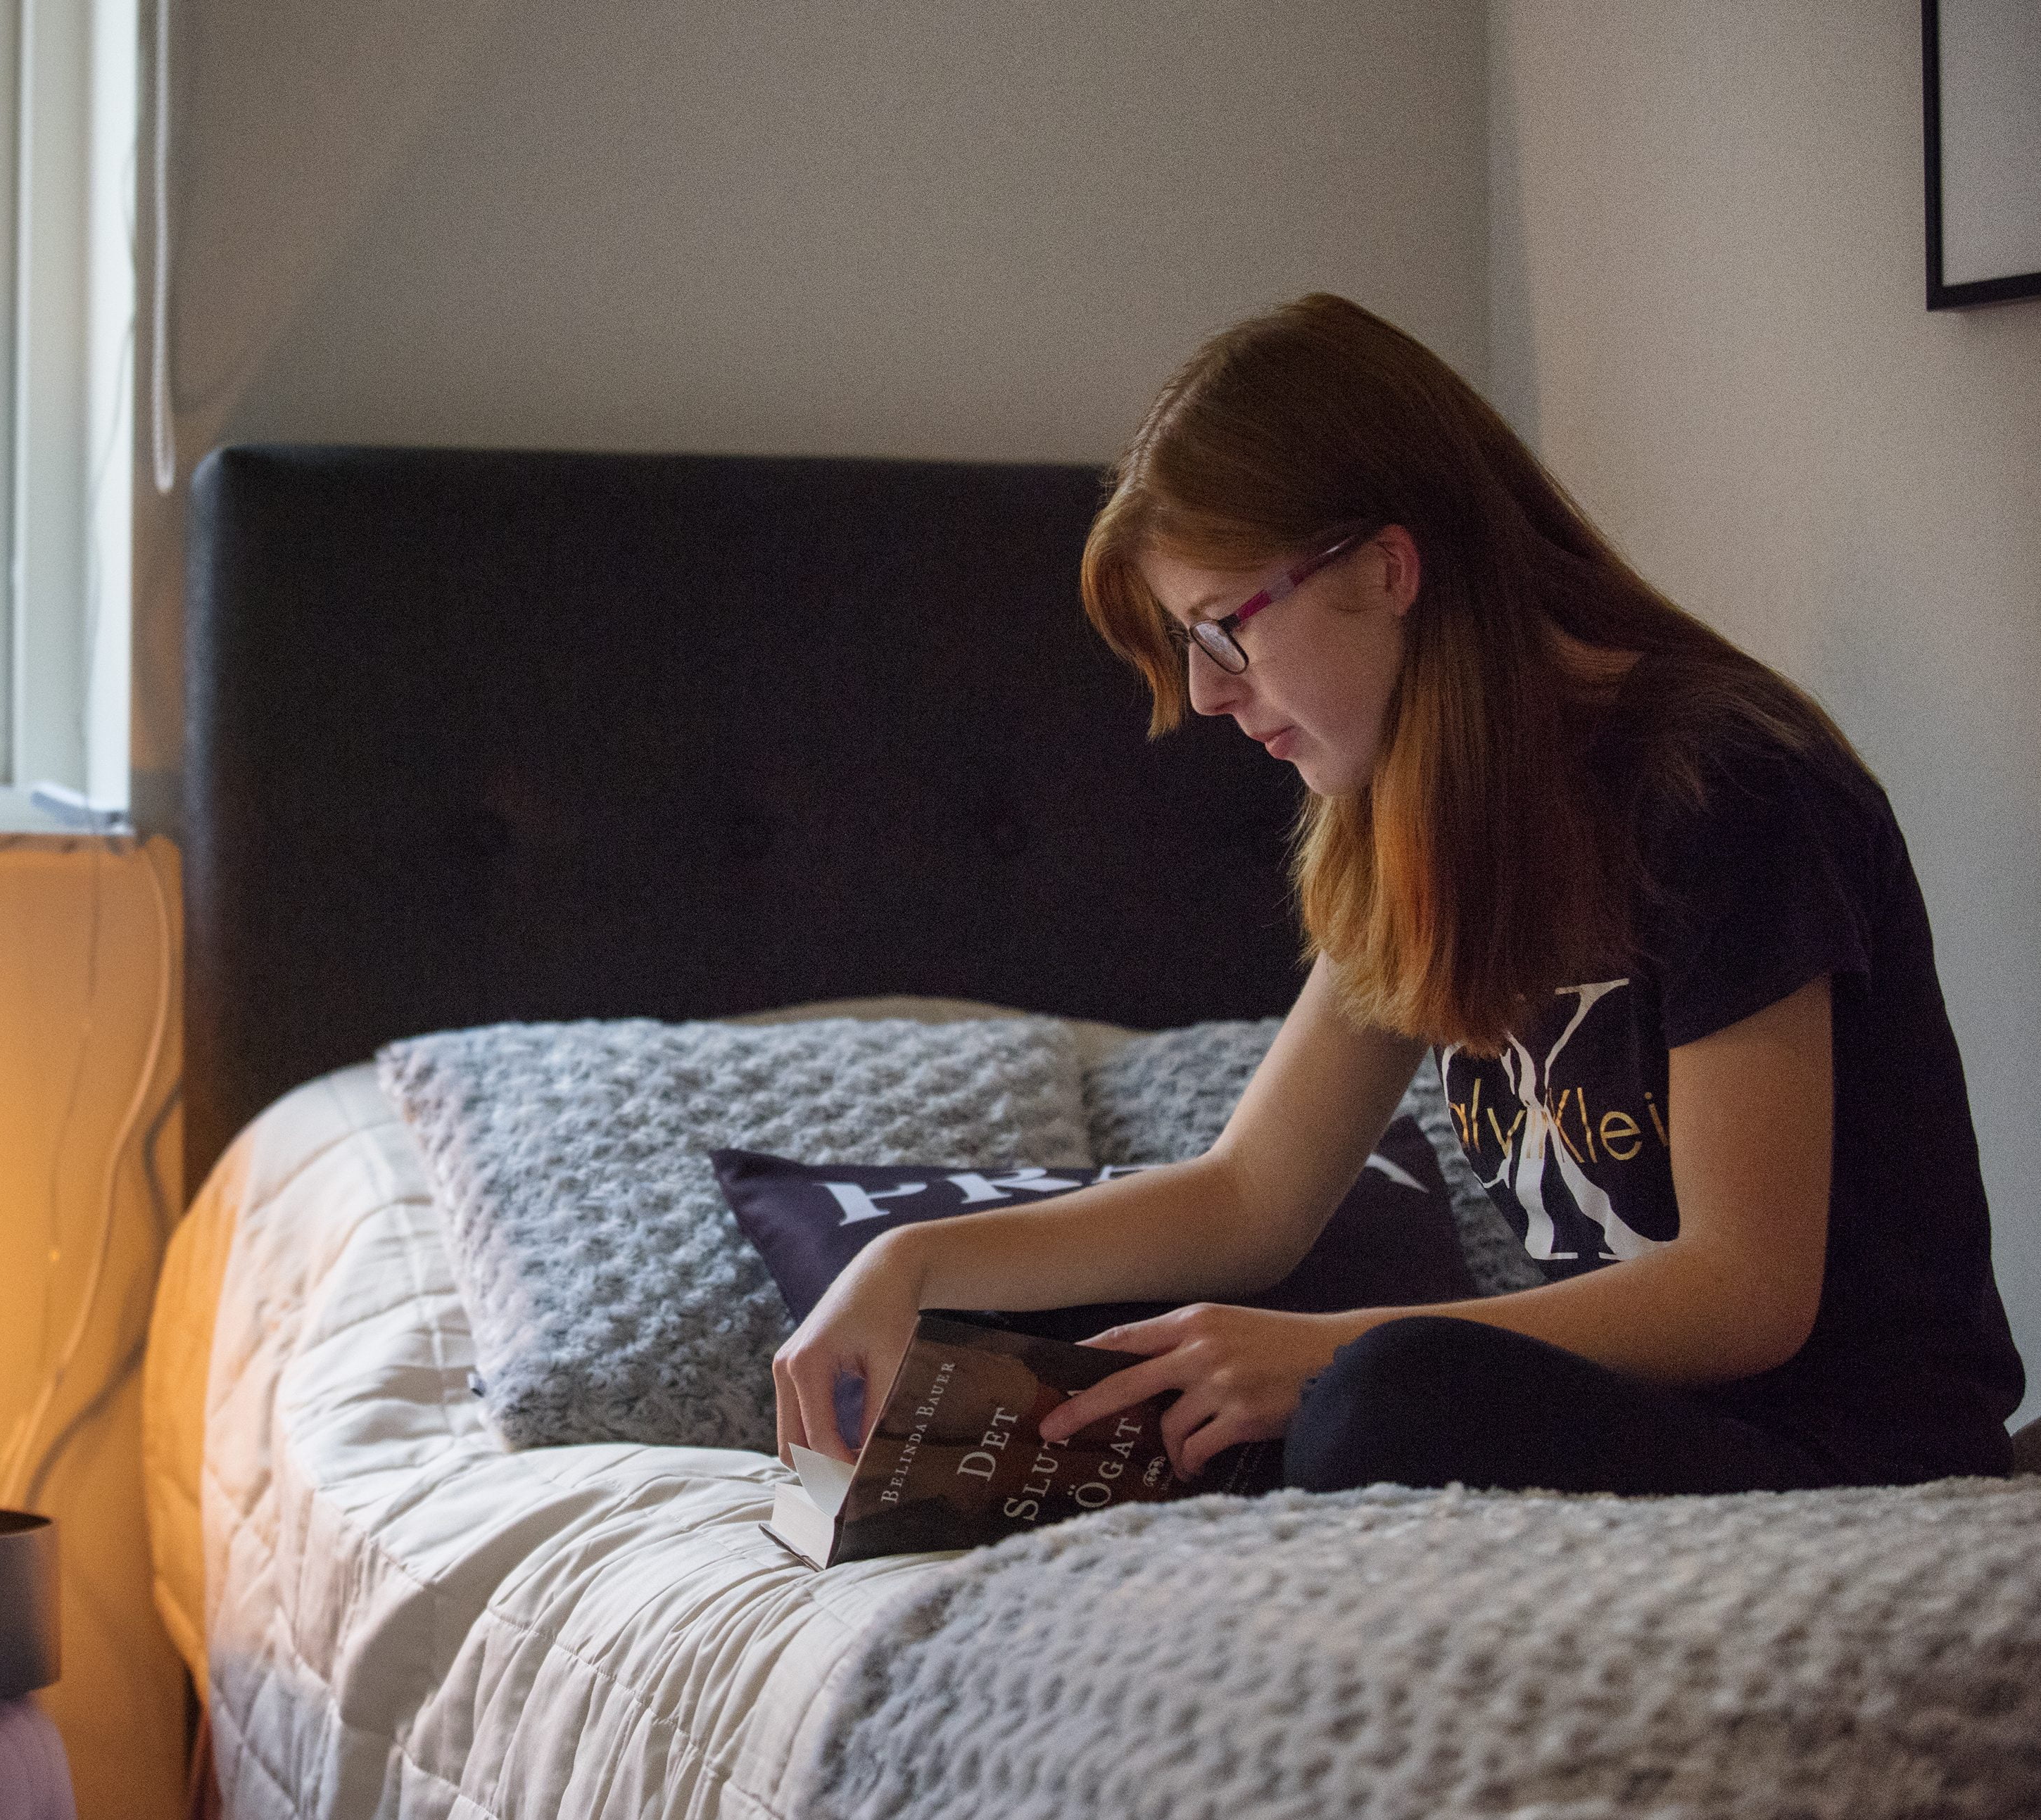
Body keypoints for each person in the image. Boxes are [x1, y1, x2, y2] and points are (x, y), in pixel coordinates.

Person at [773, 293, 2023, 1496]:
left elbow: (1746, 1288)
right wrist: (913, 1261)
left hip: (1837, 1450)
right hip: (1619, 1432)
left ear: (1384, 569)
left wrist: (1323, 1352)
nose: (1206, 697)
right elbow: (1251, 1197)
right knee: (1124, 1349)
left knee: (1379, 1393)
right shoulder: (1414, 827)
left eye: (1222, 630)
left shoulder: (1723, 786)